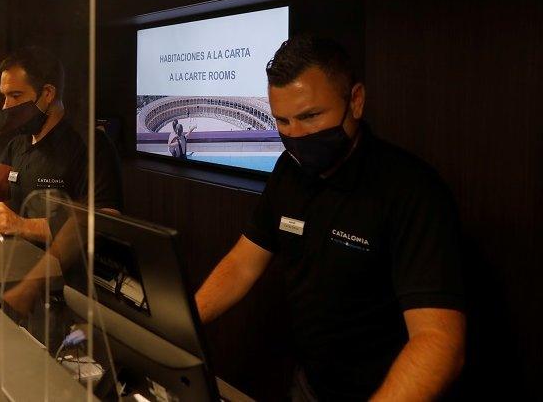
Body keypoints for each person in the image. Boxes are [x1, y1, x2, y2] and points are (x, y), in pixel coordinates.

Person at [194, 35, 466, 401]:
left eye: (310, 117)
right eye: (283, 121)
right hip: (311, 386)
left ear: (355, 101)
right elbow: (243, 263)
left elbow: (438, 341)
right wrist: (184, 323)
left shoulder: (411, 191)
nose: (296, 135)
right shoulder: (287, 172)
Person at [0, 46, 123, 243]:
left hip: (61, 268)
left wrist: (21, 225)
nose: (5, 106)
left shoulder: (91, 144)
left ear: (47, 93)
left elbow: (106, 220)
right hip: (13, 260)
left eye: (15, 96)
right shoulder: (18, 142)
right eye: (4, 96)